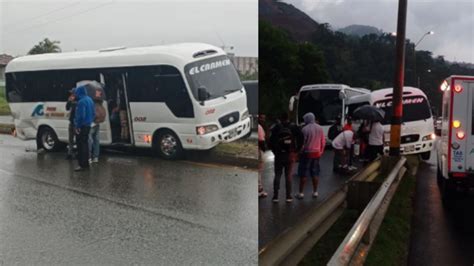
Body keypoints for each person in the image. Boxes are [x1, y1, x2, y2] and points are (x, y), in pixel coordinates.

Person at [268, 113, 303, 203]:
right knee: (288, 175)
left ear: (281, 118)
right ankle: (288, 196)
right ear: (288, 118)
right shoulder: (294, 127)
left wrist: (274, 151)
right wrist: (296, 150)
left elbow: (270, 141)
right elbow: (301, 138)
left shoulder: (276, 127)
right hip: (290, 154)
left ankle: (275, 196)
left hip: (279, 154)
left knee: (278, 175)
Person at [297, 112, 325, 199]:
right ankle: (315, 192)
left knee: (304, 173)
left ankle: (301, 193)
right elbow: (323, 142)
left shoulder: (304, 129)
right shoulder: (320, 128)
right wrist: (321, 151)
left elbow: (302, 144)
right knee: (315, 173)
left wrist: (299, 153)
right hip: (317, 153)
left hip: (307, 153)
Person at [73, 85, 95, 172]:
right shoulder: (90, 99)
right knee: (85, 144)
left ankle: (81, 165)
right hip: (88, 125)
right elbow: (93, 113)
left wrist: (77, 126)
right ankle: (86, 164)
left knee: (80, 145)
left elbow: (81, 116)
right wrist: (89, 121)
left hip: (82, 126)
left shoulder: (81, 102)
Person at [89, 95, 106, 163]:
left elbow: (93, 115)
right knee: (96, 141)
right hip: (97, 124)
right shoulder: (100, 104)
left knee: (89, 142)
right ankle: (96, 157)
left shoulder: (92, 104)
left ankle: (89, 157)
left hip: (91, 125)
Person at [258, 115, 268, 198]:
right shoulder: (260, 127)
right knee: (259, 171)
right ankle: (260, 190)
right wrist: (264, 150)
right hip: (258, 151)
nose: (263, 120)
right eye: (261, 118)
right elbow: (261, 140)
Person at [65, 90, 77, 159]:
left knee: (78, 139)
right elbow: (67, 108)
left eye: (72, 93)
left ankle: (78, 153)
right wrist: (69, 101)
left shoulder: (78, 100)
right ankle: (70, 153)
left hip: (76, 123)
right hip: (71, 122)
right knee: (70, 139)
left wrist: (73, 102)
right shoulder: (71, 101)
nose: (71, 94)